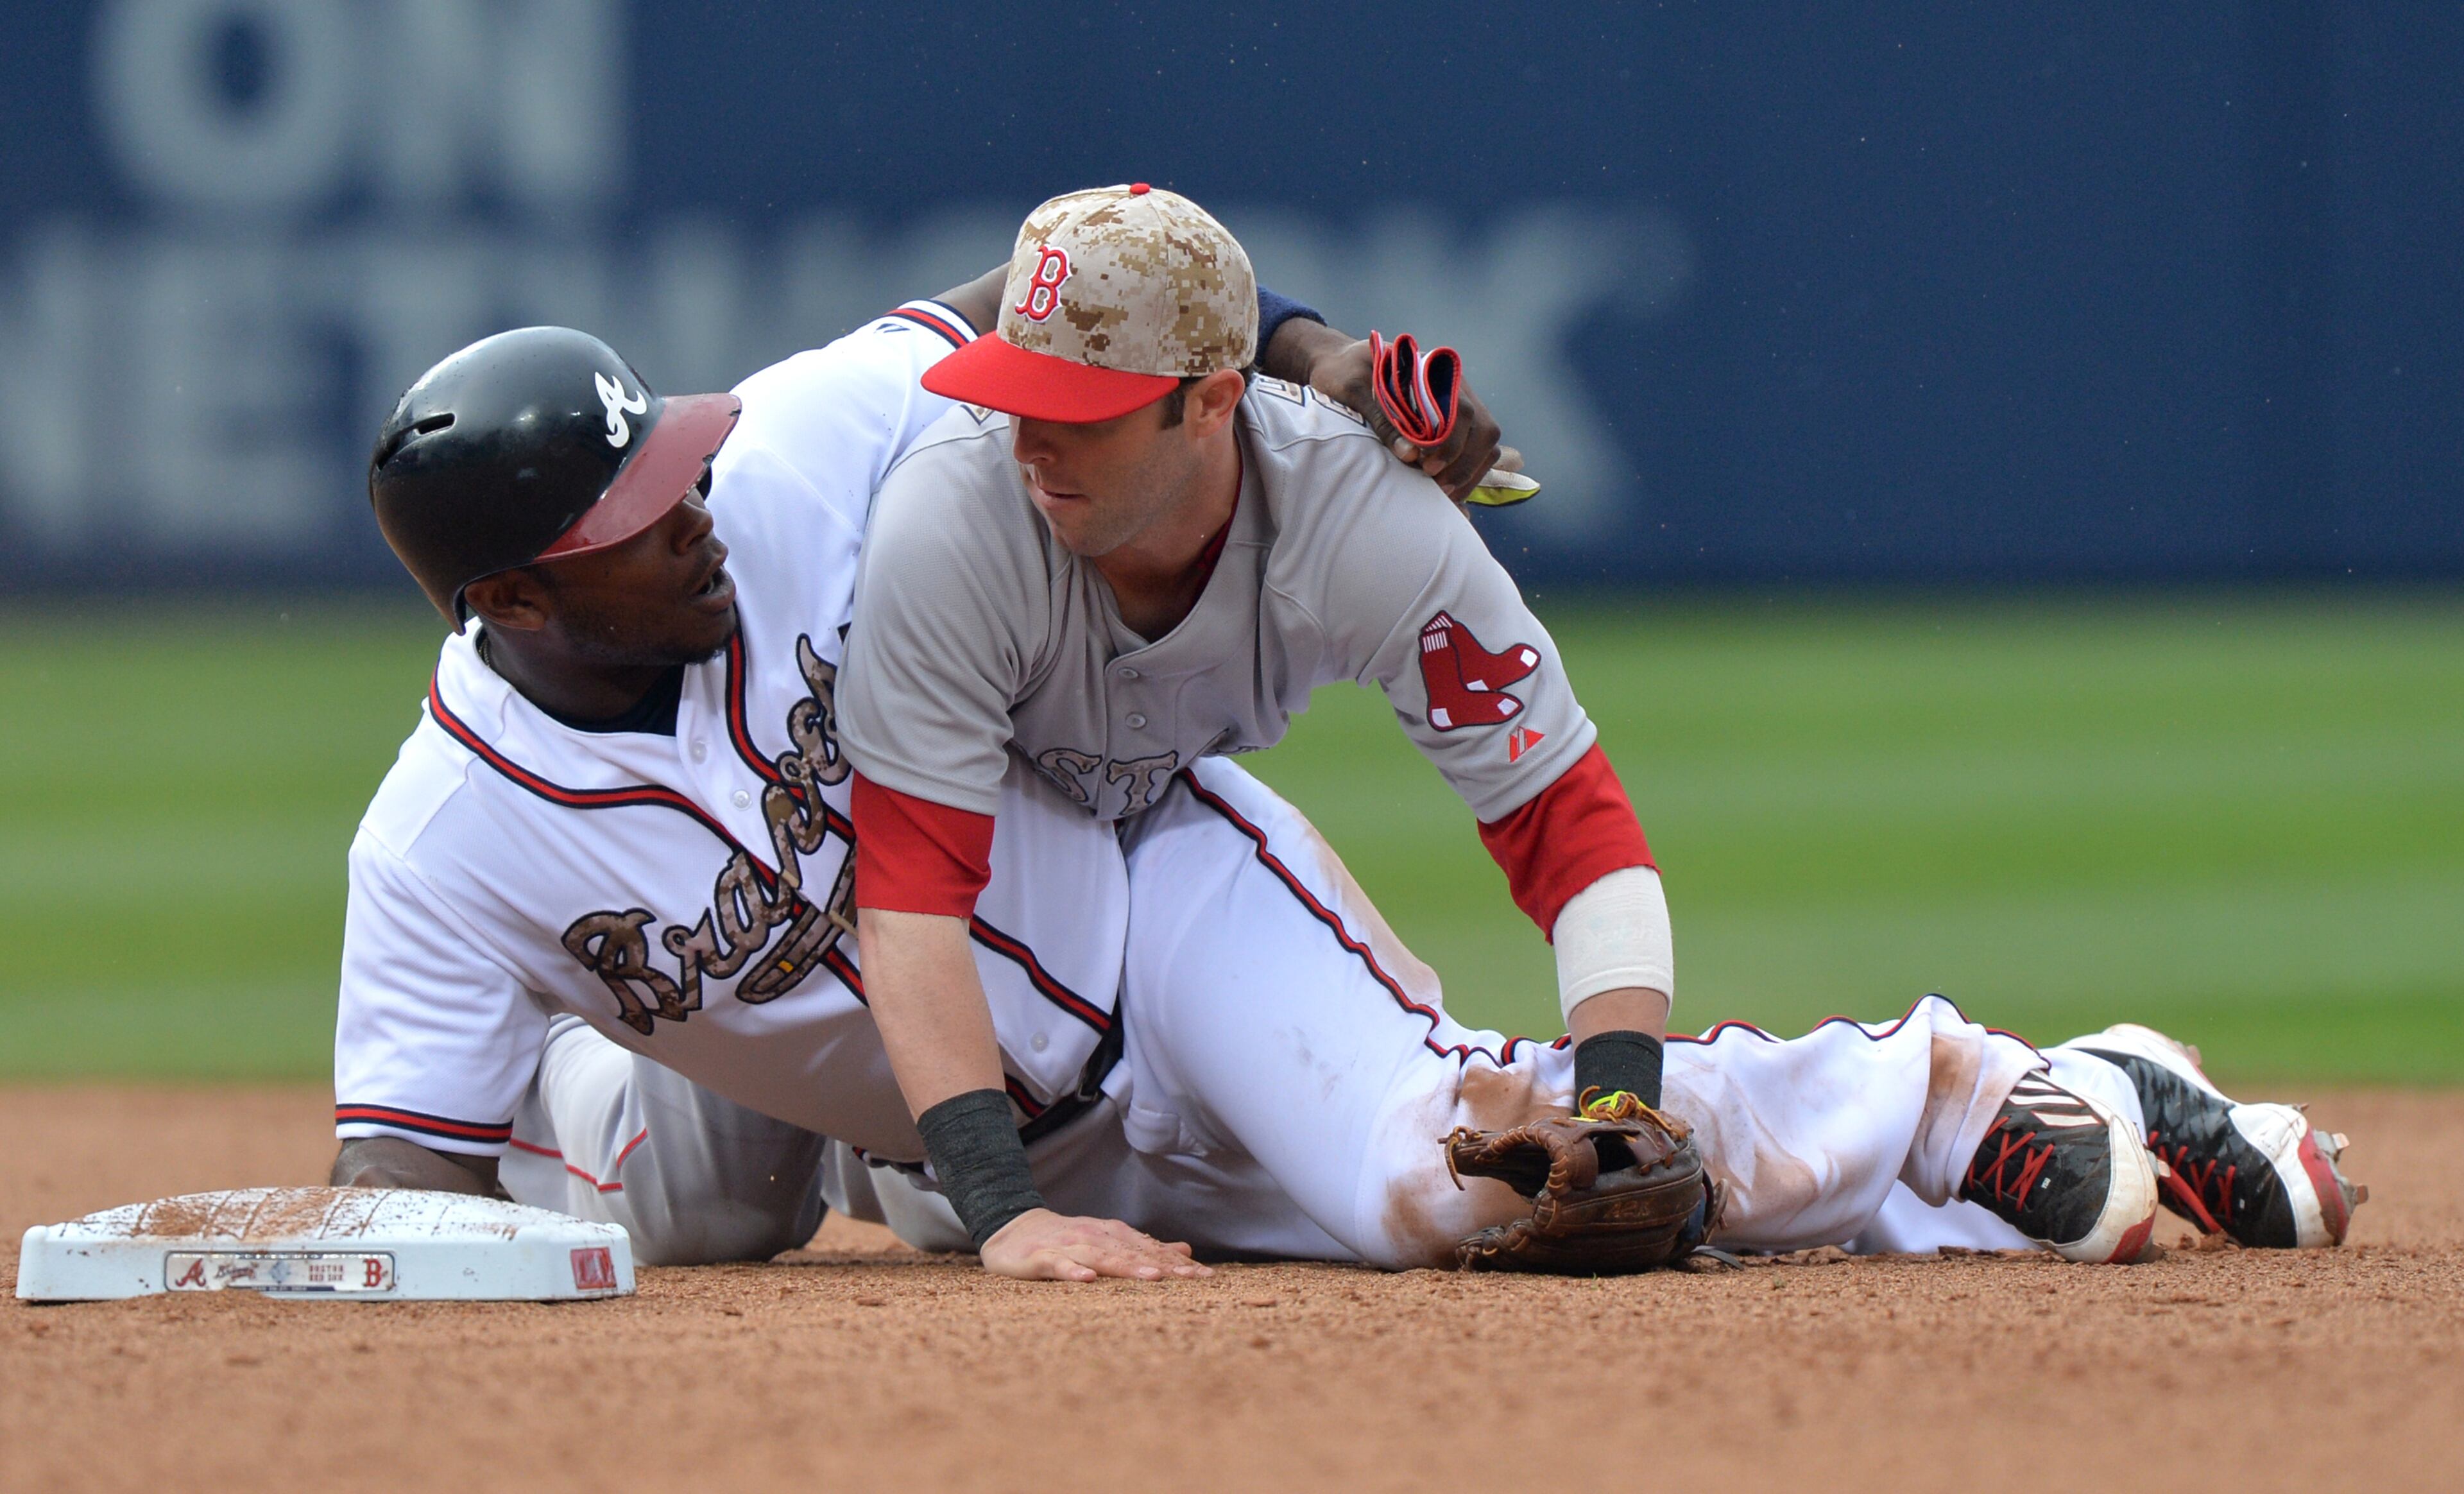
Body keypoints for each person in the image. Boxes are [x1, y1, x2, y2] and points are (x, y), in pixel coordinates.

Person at [330, 241, 2361, 1278]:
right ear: (508, 600)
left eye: (679, 462)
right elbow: (395, 1190)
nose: (696, 502)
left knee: (1447, 1195)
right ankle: (2034, 1139)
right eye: (634, 516)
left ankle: (1938, 1088)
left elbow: (1032, 292)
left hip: (1156, 911)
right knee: (679, 1217)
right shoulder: (437, 853)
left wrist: (1310, 361)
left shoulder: (797, 452)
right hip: (935, 1115)